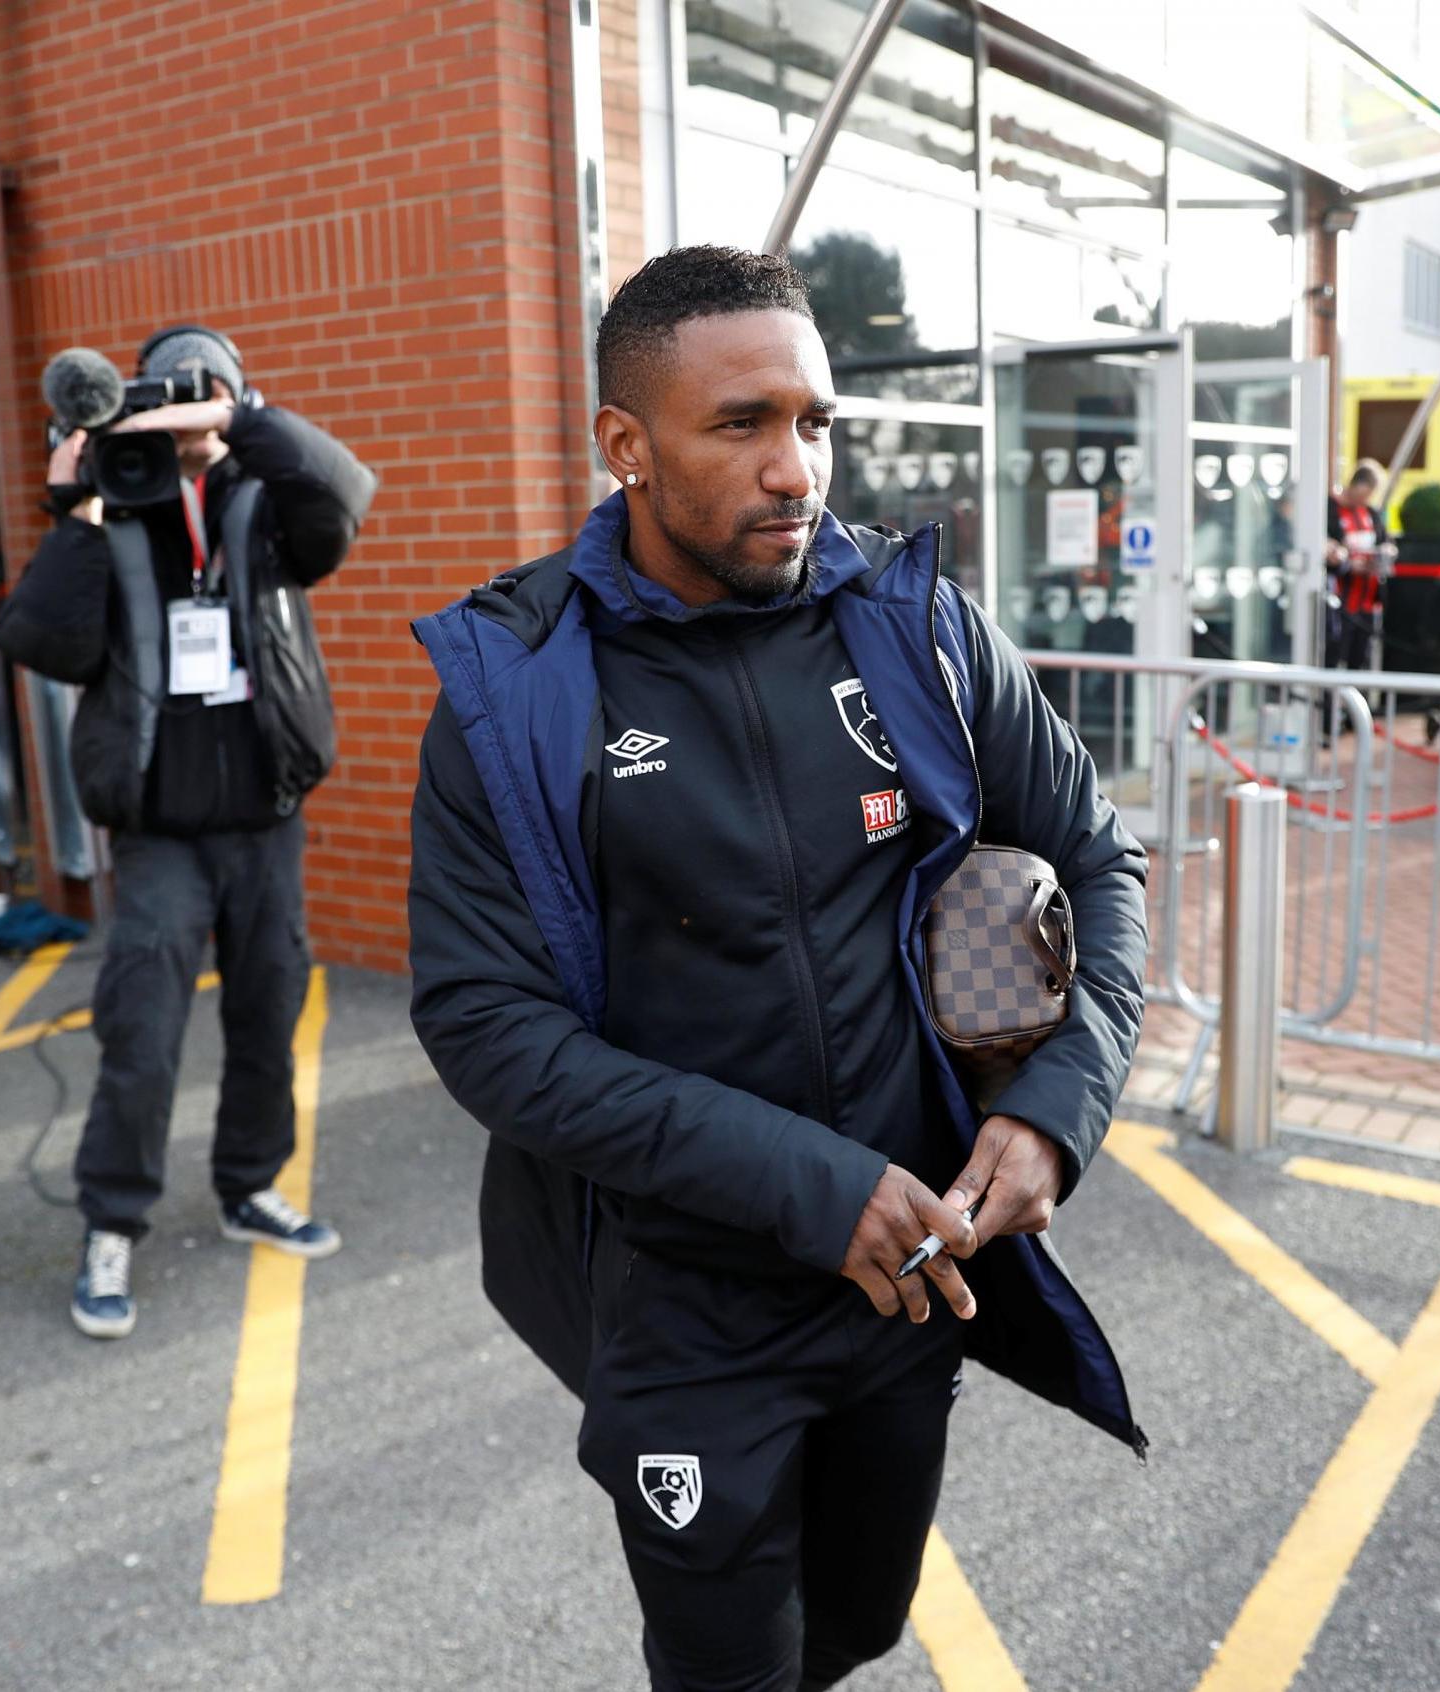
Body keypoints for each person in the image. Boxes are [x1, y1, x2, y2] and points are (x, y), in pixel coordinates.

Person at [406, 246, 1148, 1692]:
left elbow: (1099, 858)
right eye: (740, 424)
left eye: (812, 422)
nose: (795, 466)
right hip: (690, 1306)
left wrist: (1060, 1105)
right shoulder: (523, 686)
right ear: (626, 445)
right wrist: (813, 1187)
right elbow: (486, 1026)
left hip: (909, 1283)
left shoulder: (917, 630)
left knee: (857, 1627)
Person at [0, 325, 379, 1339]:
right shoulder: (119, 507)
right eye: (169, 396)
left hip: (265, 820)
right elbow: (39, 639)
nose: (183, 415)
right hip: (160, 830)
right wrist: (79, 506)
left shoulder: (268, 508)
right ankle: (112, 1221)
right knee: (142, 1034)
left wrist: (238, 426)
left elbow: (347, 497)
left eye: (204, 394)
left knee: (269, 1016)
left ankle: (251, 1184)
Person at [1325, 459, 1389, 672]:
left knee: (1360, 659)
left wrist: (1384, 555)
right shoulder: (1331, 509)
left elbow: (1385, 541)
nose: (1365, 499)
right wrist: (1347, 562)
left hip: (1367, 601)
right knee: (1333, 656)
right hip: (1340, 599)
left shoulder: (1370, 513)